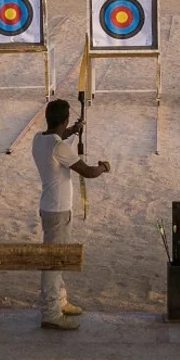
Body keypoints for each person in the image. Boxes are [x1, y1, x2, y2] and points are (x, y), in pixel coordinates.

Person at [33, 98, 110, 330]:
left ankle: (60, 301)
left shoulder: (40, 139)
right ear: (64, 120)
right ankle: (51, 313)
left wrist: (73, 131)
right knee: (53, 262)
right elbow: (87, 171)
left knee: (58, 258)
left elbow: (57, 137)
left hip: (52, 207)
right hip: (57, 211)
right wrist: (103, 167)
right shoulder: (59, 147)